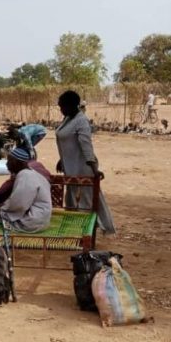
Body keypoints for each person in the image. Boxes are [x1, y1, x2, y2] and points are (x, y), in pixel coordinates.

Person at [55, 90, 116, 235]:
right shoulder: (68, 119)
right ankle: (73, 229)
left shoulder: (81, 121)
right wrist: (62, 159)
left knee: (86, 202)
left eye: (62, 106)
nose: (61, 109)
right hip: (70, 167)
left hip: (83, 168)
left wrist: (94, 170)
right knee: (71, 200)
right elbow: (68, 142)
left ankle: (89, 232)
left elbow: (86, 147)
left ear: (71, 105)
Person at [0, 148, 52, 233]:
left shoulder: (25, 175)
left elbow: (19, 205)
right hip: (41, 220)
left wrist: (2, 207)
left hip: (29, 222)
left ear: (16, 163)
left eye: (9, 161)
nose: (7, 164)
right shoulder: (32, 173)